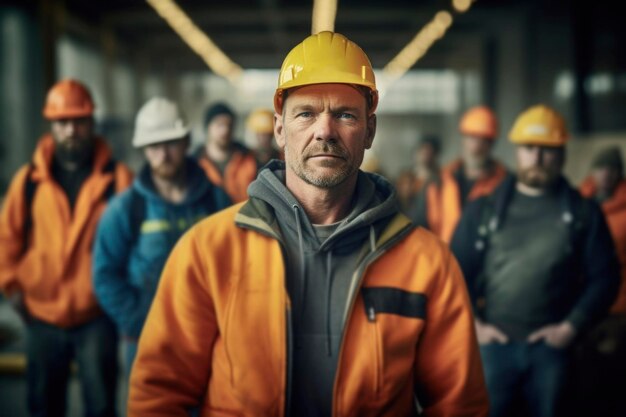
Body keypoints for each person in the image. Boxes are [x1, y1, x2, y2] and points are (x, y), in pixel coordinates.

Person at [128, 31, 488, 417]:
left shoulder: (427, 264)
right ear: (280, 130)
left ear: (369, 130)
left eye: (346, 114)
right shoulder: (208, 250)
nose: (325, 131)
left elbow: (458, 405)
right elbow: (159, 396)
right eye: (306, 114)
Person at [450, 104, 620, 417]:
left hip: (554, 351)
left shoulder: (584, 214)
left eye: (548, 149)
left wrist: (571, 327)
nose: (538, 158)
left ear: (562, 153)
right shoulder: (483, 211)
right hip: (494, 347)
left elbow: (605, 277)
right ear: (517, 152)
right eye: (530, 148)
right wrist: (474, 325)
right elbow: (452, 272)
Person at [0, 79, 133, 417]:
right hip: (41, 317)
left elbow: (131, 246)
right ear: (52, 125)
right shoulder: (28, 182)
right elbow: (7, 239)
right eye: (62, 123)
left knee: (101, 407)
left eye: (78, 121)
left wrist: (121, 300)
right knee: (43, 407)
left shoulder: (118, 180)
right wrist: (13, 288)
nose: (71, 130)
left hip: (97, 317)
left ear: (91, 122)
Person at [92, 97, 231, 378]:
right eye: (154, 146)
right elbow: (104, 275)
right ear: (144, 150)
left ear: (186, 141)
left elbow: (237, 263)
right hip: (145, 340)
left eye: (170, 143)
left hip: (207, 336)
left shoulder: (215, 200)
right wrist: (139, 320)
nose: (163, 155)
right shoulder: (127, 207)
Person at [574, 146, 626, 417]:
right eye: (600, 168)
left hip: (618, 308)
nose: (605, 174)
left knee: (612, 373)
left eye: (611, 169)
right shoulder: (578, 205)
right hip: (583, 307)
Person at [439, 106, 508, 242]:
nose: (476, 147)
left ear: (492, 143)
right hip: (442, 260)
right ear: (462, 140)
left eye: (483, 140)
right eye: (472, 138)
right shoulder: (438, 181)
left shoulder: (505, 184)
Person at [197, 102, 257, 203]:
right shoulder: (195, 164)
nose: (225, 130)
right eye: (219, 124)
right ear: (208, 127)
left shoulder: (250, 159)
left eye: (229, 125)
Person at [406, 134, 443, 234]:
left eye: (428, 151)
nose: (424, 154)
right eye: (422, 150)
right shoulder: (406, 179)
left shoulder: (441, 181)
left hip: (429, 232)